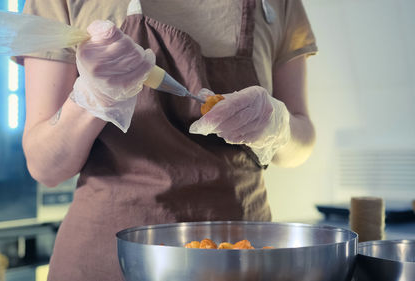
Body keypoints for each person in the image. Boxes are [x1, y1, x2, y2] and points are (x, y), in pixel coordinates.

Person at [16, 0, 317, 279]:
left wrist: (278, 127)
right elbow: (45, 167)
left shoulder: (280, 4)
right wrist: (92, 99)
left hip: (241, 258)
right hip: (108, 260)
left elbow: (301, 145)